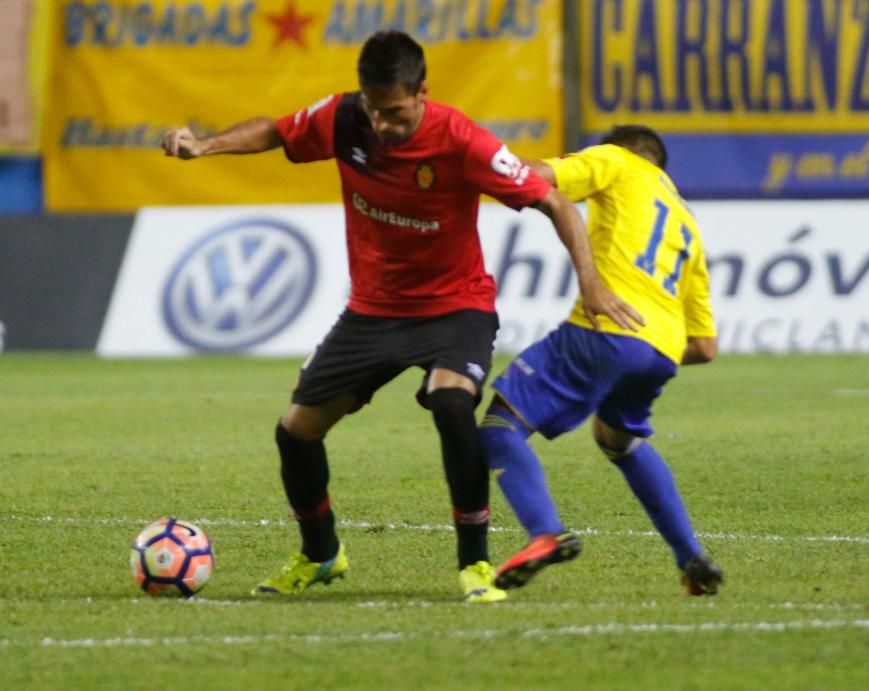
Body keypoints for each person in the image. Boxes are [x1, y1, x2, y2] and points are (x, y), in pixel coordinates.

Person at [161, 30, 641, 602]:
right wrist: (204, 146)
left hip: (455, 306)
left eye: (393, 112)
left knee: (450, 400)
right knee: (296, 432)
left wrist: (590, 282)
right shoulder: (344, 118)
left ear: (421, 94)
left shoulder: (464, 141)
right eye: (372, 108)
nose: (381, 125)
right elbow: (276, 129)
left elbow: (555, 201)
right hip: (372, 311)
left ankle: (475, 565)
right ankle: (321, 554)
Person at [478, 125, 724, 596]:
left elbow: (535, 175)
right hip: (660, 353)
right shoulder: (687, 225)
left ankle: (545, 532)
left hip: (604, 330)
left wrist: (472, 167)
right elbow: (705, 347)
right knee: (618, 438)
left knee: (499, 425)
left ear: (626, 151)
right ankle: (691, 558)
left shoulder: (615, 160)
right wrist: (643, 346)